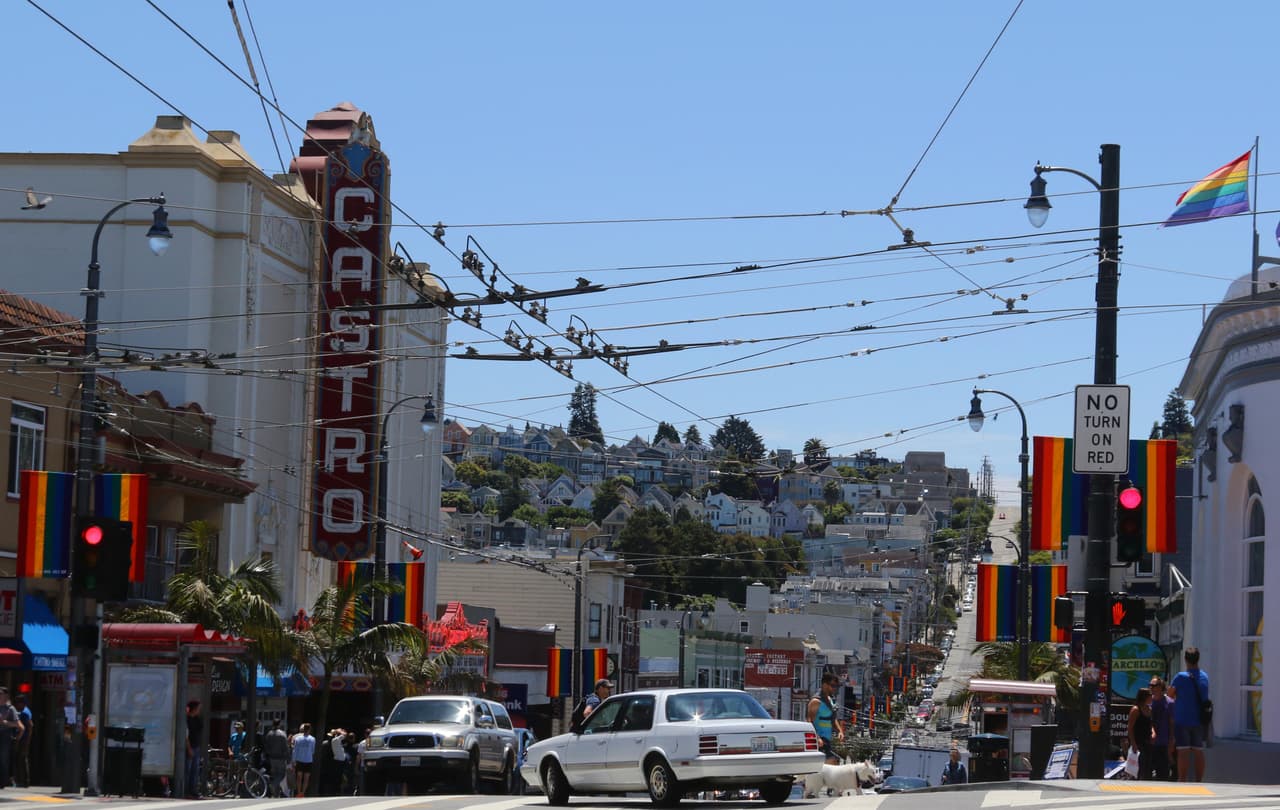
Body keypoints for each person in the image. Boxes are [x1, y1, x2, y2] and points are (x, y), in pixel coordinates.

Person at [1170, 646, 1210, 782]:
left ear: (1185, 659)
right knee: (1198, 751)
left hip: (1182, 719)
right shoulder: (1205, 676)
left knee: (1183, 752)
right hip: (1199, 720)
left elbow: (1170, 695)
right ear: (1198, 659)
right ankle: (1199, 780)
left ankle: (1182, 780)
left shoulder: (1180, 677)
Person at [806, 672, 844, 765]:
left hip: (827, 740)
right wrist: (817, 738)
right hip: (819, 741)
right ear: (824, 685)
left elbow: (833, 719)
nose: (834, 688)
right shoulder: (816, 701)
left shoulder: (830, 700)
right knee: (831, 763)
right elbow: (809, 721)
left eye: (836, 686)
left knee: (833, 764)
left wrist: (840, 731)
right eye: (832, 685)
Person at [1148, 677, 1175, 781]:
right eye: (1150, 685)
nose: (1151, 688)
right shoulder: (1148, 702)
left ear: (1160, 687)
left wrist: (1171, 741)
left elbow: (1172, 724)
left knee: (1162, 775)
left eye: (1154, 686)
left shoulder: (1170, 703)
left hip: (1163, 744)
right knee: (1147, 775)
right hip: (1150, 744)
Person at [1127, 687, 1154, 780]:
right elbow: (1130, 728)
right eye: (1150, 695)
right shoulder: (1136, 709)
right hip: (1138, 742)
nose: (1152, 697)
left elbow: (1151, 725)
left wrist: (1153, 733)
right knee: (1139, 767)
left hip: (1148, 742)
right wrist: (1133, 743)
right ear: (1144, 697)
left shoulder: (1149, 709)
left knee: (1147, 766)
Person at [262, 719, 291, 798]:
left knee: (275, 775)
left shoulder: (269, 734)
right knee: (281, 775)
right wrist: (288, 759)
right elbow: (286, 747)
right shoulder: (282, 734)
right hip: (281, 758)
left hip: (272, 758)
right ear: (279, 724)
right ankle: (273, 785)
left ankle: (276, 794)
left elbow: (266, 746)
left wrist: (268, 755)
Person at [0, 689, 21, 791]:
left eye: (1, 694)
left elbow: (17, 724)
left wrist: (5, 722)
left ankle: (3, 781)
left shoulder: (10, 709)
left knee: (4, 759)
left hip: (5, 735)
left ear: (6, 696)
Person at [184, 700, 204, 799]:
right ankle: (185, 791)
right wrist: (189, 749)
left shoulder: (197, 719)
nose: (199, 710)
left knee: (195, 771)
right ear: (194, 708)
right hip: (190, 747)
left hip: (196, 747)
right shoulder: (186, 719)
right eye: (198, 708)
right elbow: (185, 736)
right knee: (187, 770)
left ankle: (193, 790)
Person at [12, 694, 31, 789]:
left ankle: (23, 781)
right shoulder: (25, 711)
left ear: (21, 703)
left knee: (22, 759)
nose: (16, 705)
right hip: (24, 739)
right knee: (22, 759)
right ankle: (24, 780)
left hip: (23, 739)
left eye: (17, 703)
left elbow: (30, 726)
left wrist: (26, 740)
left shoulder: (24, 713)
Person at [292, 723, 316, 797]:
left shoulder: (298, 738)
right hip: (308, 760)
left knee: (299, 778)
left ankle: (299, 792)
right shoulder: (312, 739)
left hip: (299, 759)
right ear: (309, 729)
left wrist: (293, 760)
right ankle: (303, 793)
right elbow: (313, 750)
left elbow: (295, 750)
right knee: (306, 778)